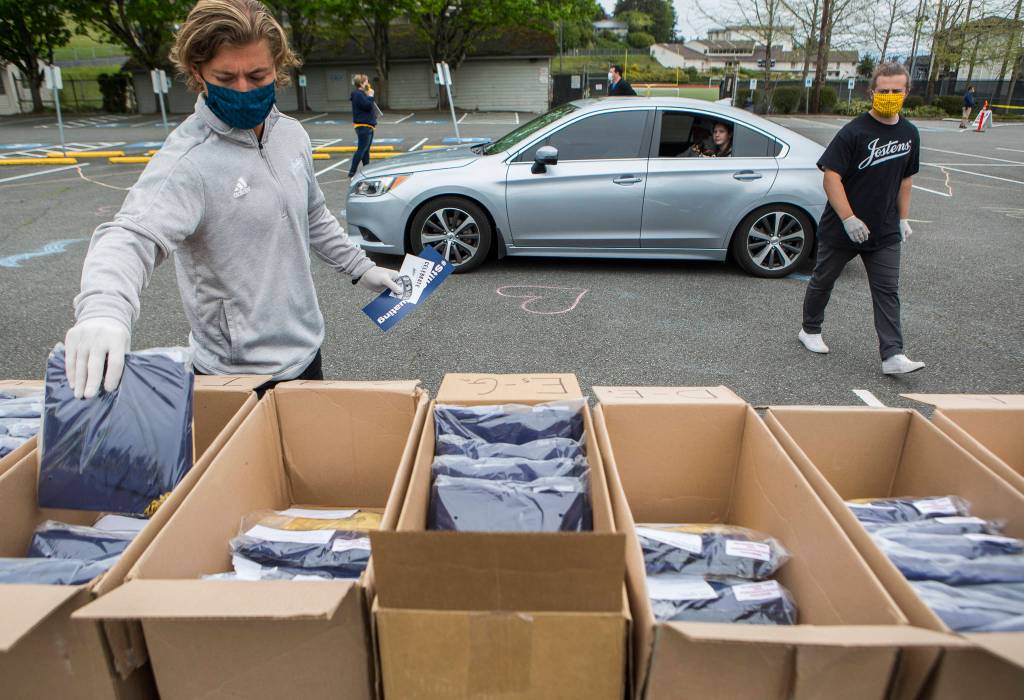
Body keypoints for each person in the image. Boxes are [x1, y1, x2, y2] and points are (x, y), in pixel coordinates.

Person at [62, 0, 403, 399]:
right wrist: (104, 310)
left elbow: (312, 215)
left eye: (257, 75)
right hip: (233, 375)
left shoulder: (292, 135)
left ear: (278, 67)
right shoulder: (188, 160)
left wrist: (363, 268)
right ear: (198, 73)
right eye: (226, 77)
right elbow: (131, 236)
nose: (243, 89)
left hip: (305, 355)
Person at [799, 62, 925, 375]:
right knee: (823, 280)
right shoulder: (854, 132)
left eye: (896, 91)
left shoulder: (909, 134)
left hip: (884, 230)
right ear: (871, 92)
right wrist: (848, 218)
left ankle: (893, 354)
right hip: (843, 228)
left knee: (887, 291)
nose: (889, 96)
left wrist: (903, 218)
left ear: (907, 92)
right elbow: (831, 177)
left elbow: (906, 180)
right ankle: (810, 329)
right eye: (884, 90)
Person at [349, 74, 376, 178]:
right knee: (361, 150)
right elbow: (367, 106)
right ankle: (352, 172)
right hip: (363, 125)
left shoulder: (362, 94)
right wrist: (370, 96)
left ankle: (366, 170)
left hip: (368, 125)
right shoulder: (358, 94)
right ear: (361, 83)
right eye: (366, 81)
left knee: (366, 151)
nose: (368, 83)